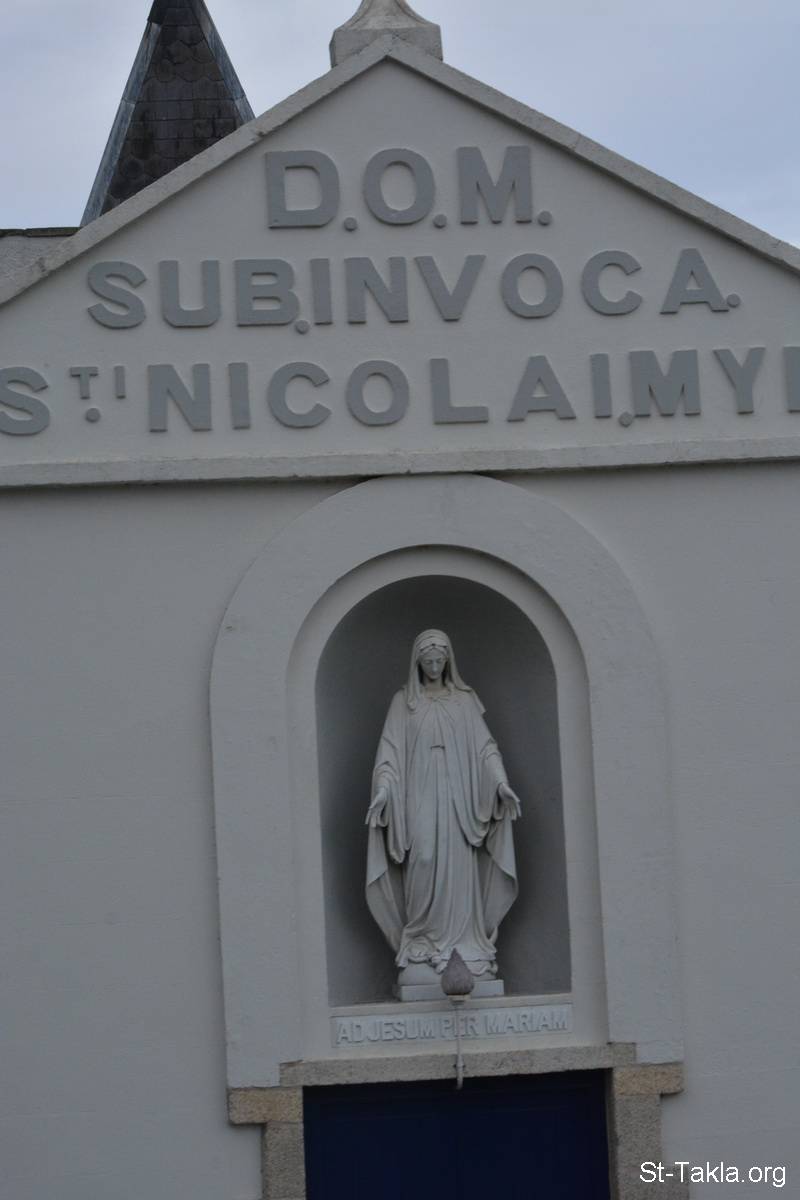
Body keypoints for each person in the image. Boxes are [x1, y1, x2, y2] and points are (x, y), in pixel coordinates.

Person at [365, 629, 520, 984]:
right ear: (417, 663)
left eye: (439, 660)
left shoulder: (464, 701)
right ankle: (422, 941)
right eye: (428, 661)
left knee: (460, 866)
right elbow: (389, 755)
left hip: (458, 801)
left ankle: (464, 945)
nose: (434, 667)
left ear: (448, 661)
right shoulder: (404, 702)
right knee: (423, 857)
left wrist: (500, 784)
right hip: (418, 797)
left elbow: (485, 749)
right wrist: (383, 791)